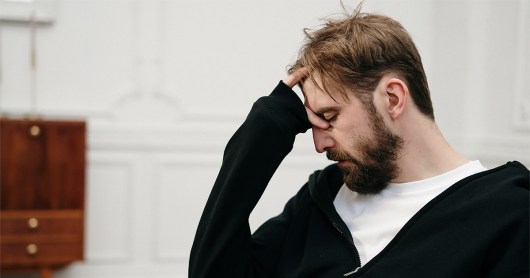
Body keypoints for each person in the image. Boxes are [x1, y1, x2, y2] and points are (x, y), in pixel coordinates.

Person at [189, 4, 530, 278]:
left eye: (330, 117)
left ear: (393, 98)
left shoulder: (508, 214)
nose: (319, 145)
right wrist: (263, 129)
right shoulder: (323, 197)